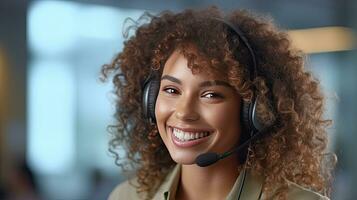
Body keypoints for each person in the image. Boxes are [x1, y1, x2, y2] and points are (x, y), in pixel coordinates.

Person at [102, 6, 334, 200]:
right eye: (172, 90)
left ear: (254, 111)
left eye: (211, 95)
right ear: (149, 99)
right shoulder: (127, 196)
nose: (183, 112)